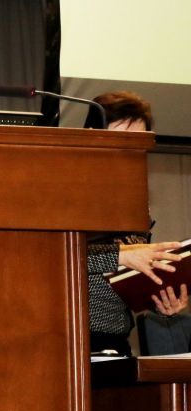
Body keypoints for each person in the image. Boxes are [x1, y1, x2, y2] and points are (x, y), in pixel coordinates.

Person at [84, 91, 187, 354]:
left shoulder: (137, 198)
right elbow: (55, 257)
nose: (130, 150)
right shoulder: (64, 191)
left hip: (116, 340)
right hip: (68, 336)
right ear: (92, 135)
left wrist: (160, 300)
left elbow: (130, 274)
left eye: (139, 141)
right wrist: (122, 256)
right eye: (122, 138)